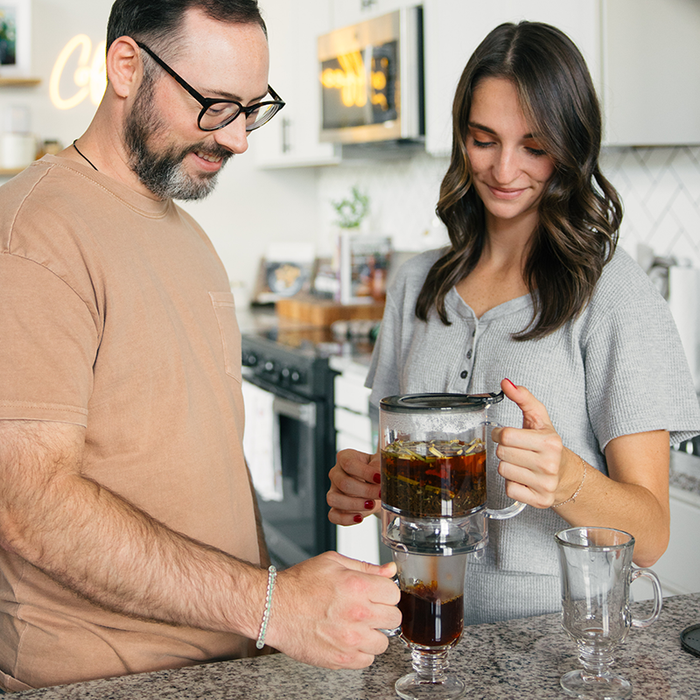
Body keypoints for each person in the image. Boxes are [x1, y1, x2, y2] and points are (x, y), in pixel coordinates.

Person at [0, 0, 400, 691]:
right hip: (107, 680)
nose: (239, 139)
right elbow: (28, 503)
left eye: (252, 109)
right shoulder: (36, 239)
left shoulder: (186, 232)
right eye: (215, 105)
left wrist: (269, 616)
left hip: (225, 666)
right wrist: (272, 604)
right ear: (127, 66)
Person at [327, 21, 700, 625]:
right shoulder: (417, 285)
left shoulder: (613, 291)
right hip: (417, 632)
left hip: (554, 651)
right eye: (483, 139)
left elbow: (652, 533)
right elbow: (400, 464)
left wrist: (568, 479)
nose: (504, 169)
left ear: (571, 146)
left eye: (534, 145)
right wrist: (367, 482)